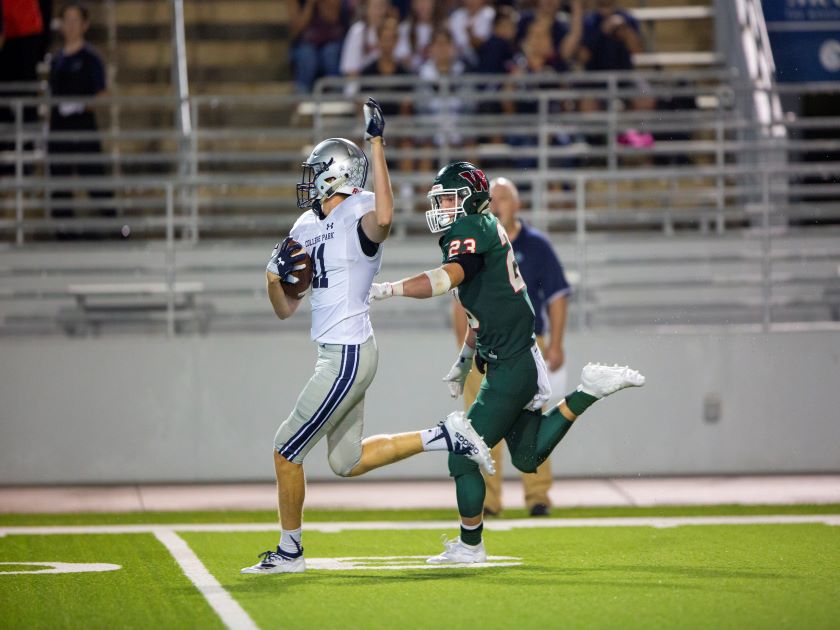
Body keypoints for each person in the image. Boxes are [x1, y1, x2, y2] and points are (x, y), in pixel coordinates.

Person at [240, 100, 493, 575]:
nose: (310, 177)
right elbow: (285, 309)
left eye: (317, 169)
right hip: (335, 353)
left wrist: (376, 143)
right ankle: (445, 435)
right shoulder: (305, 224)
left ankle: (290, 552)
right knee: (346, 460)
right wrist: (272, 278)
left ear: (337, 172)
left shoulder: (360, 208)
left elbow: (385, 219)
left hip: (350, 352)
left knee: (285, 449)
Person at [370, 160, 645, 563]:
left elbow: (447, 278)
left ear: (470, 199)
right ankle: (588, 391)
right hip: (512, 358)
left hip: (512, 364)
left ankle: (470, 546)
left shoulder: (471, 230)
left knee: (461, 455)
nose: (442, 206)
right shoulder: (482, 229)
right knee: (528, 456)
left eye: (448, 198)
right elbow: (481, 310)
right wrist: (465, 358)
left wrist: (389, 289)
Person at [453, 177, 570, 517]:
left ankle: (537, 496)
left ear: (517, 205)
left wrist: (557, 344)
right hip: (486, 346)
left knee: (532, 419)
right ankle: (487, 501)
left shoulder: (536, 245)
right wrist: (465, 351)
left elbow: (558, 297)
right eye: (492, 198)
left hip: (527, 343)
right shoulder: (477, 243)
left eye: (503, 198)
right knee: (479, 423)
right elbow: (460, 300)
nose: (496, 203)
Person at [48, 1, 113, 238]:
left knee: (95, 179)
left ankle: (117, 229)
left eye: (75, 20)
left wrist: (78, 105)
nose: (71, 25)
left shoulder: (91, 58)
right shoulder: (55, 60)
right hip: (59, 128)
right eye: (67, 20)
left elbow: (102, 95)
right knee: (59, 183)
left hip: (83, 126)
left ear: (84, 25)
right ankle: (64, 233)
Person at [287, 0, 348, 93]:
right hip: (305, 45)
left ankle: (336, 93)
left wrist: (321, 3)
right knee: (307, 56)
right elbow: (297, 28)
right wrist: (310, 4)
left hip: (331, 42)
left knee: (330, 53)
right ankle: (301, 96)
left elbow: (333, 18)